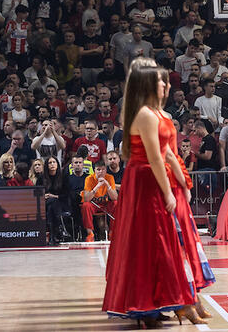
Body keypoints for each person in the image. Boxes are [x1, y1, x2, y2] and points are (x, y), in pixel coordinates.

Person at [102, 61, 197, 324]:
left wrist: (182, 183)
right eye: (160, 81)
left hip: (152, 177)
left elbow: (167, 153)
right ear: (147, 84)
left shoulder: (154, 113)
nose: (166, 84)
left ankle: (161, 300)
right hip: (144, 180)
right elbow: (155, 158)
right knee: (147, 242)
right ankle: (145, 305)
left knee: (160, 242)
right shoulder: (144, 114)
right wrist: (168, 192)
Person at [81, 160, 119, 242]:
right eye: (98, 169)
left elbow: (115, 197)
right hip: (93, 204)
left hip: (105, 204)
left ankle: (112, 232)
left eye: (103, 169)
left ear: (106, 170)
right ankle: (90, 234)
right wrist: (97, 186)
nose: (101, 172)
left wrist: (107, 185)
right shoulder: (89, 179)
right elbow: (87, 198)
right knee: (85, 205)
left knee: (116, 203)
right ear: (94, 170)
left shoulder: (110, 177)